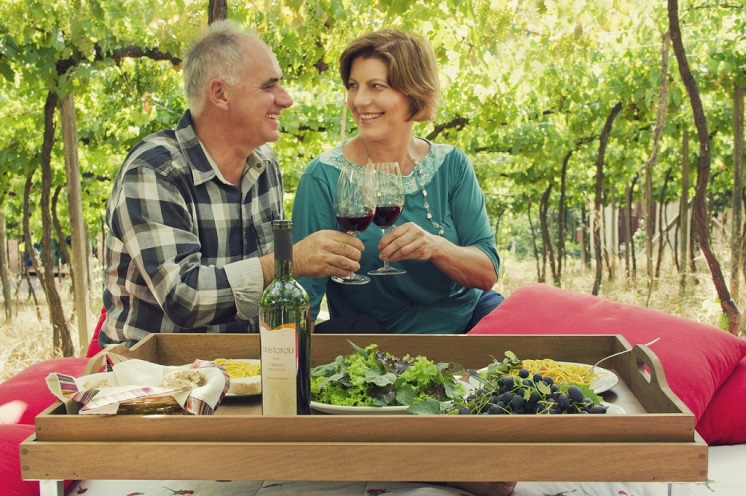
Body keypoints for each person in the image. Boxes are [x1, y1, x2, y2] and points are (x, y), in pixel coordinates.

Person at [101, 20, 364, 347]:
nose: (286, 99)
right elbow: (185, 297)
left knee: (366, 336)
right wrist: (291, 262)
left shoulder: (264, 163)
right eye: (269, 87)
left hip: (246, 365)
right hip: (159, 376)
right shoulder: (155, 171)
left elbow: (268, 292)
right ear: (220, 94)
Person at [292, 28, 503, 334]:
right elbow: (303, 298)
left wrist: (436, 246)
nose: (360, 100)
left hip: (467, 329)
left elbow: (487, 273)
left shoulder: (451, 165)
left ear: (413, 93)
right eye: (353, 85)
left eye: (376, 86)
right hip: (378, 349)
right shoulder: (323, 176)